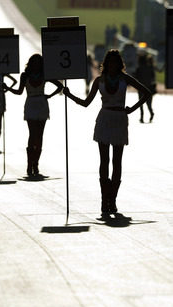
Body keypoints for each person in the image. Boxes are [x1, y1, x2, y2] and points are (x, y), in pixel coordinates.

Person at [63, 50, 151, 214]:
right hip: (104, 118)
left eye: (115, 62)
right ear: (106, 64)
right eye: (110, 62)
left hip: (119, 118)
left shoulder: (125, 78)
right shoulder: (99, 80)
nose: (113, 65)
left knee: (117, 161)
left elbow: (146, 93)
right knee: (104, 160)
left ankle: (113, 199)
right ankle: (105, 199)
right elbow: (86, 102)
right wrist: (70, 95)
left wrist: (132, 109)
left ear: (119, 64)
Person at [4, 54, 63, 176]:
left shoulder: (44, 75)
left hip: (41, 103)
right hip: (30, 103)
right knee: (32, 134)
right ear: (30, 64)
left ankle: (36, 164)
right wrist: (8, 88)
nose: (36, 65)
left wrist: (49, 96)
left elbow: (60, 86)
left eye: (38, 62)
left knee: (39, 135)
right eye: (34, 62)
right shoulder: (25, 76)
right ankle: (30, 163)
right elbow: (20, 92)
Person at [134, 54, 156, 123]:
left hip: (141, 88)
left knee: (140, 103)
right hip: (149, 87)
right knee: (149, 103)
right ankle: (151, 113)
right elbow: (153, 77)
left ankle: (142, 117)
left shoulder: (139, 69)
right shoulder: (149, 68)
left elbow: (136, 78)